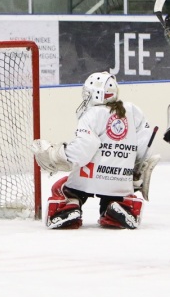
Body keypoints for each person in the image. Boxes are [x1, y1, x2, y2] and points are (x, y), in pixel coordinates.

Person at [32, 71, 159, 230]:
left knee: (62, 187)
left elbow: (83, 150)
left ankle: (69, 207)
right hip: (120, 181)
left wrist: (56, 154)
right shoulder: (133, 111)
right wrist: (134, 170)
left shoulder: (92, 114)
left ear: (97, 93)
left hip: (89, 177)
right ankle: (118, 206)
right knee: (118, 193)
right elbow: (144, 145)